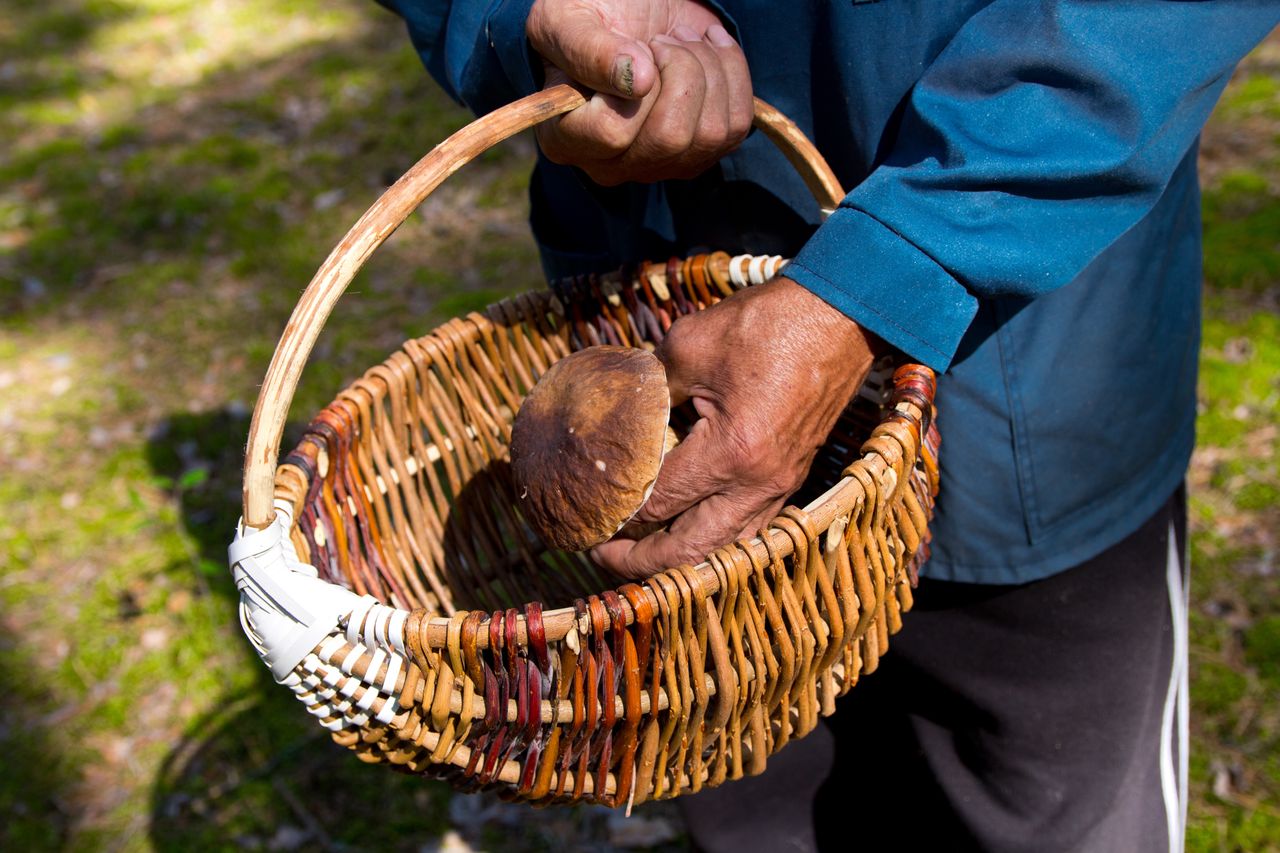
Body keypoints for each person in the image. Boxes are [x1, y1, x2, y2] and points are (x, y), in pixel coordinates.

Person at [376, 1, 1278, 850]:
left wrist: (897, 261)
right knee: (755, 808)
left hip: (1025, 357)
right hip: (657, 323)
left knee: (1045, 807)